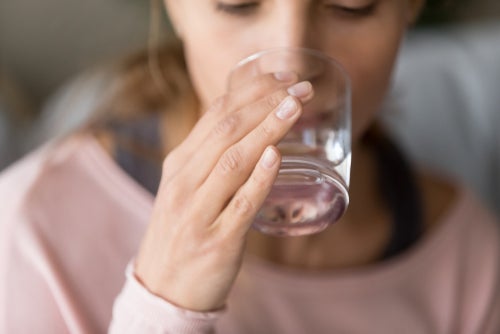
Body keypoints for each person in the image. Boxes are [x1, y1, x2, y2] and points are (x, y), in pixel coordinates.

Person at [0, 0, 499, 333]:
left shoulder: (470, 263)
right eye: (238, 2)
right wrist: (164, 307)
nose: (293, 64)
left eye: (351, 3)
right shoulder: (32, 230)